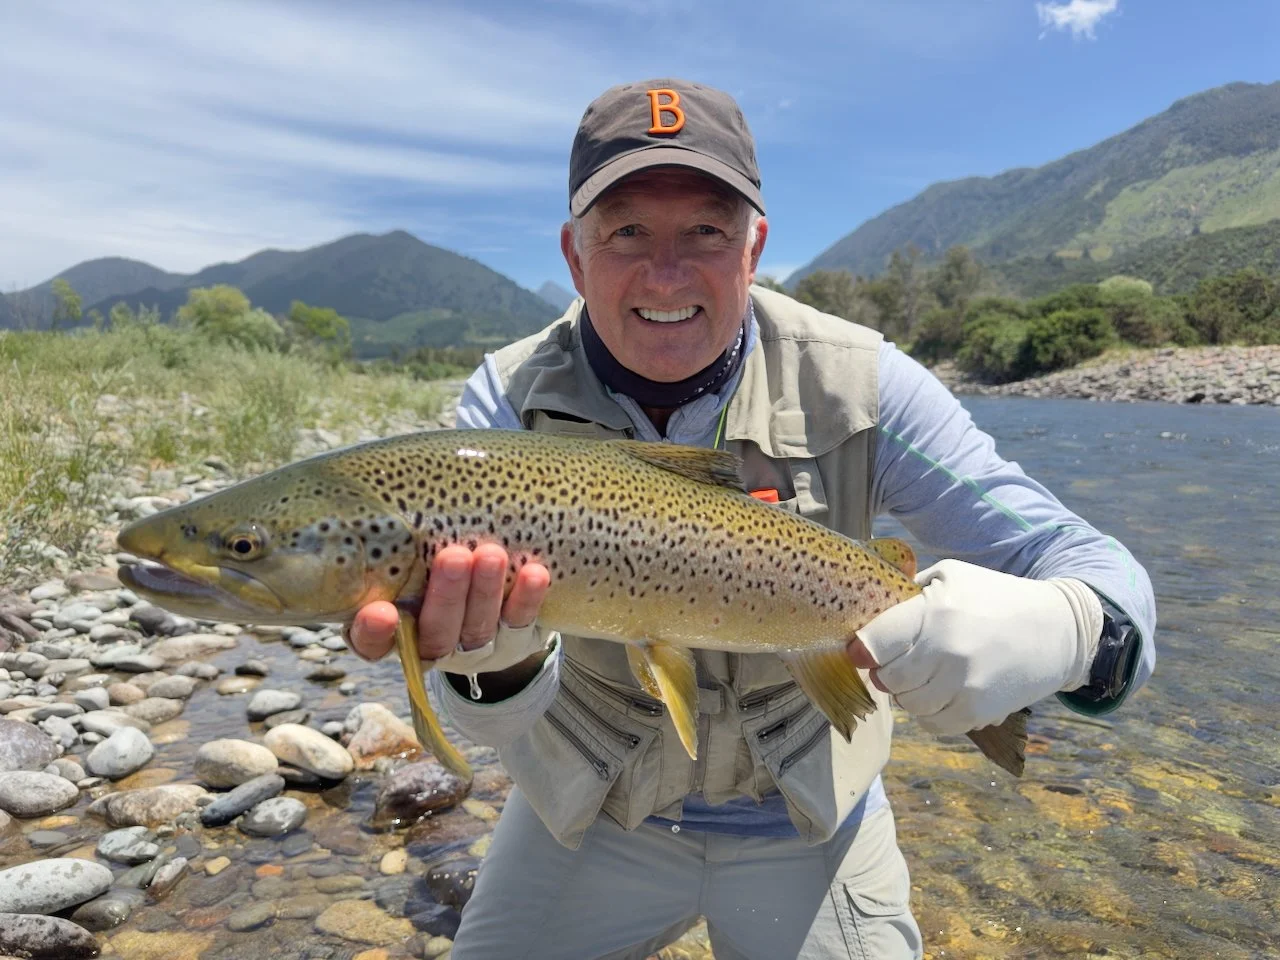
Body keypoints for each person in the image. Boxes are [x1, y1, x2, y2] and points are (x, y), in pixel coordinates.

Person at [348, 78, 1156, 960]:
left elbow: (1072, 554)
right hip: (590, 812)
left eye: (706, 230)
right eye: (627, 232)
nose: (666, 274)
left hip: (810, 820)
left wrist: (1077, 631)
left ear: (753, 249)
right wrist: (494, 665)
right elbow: (490, 726)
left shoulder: (863, 382)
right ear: (576, 257)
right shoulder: (502, 405)